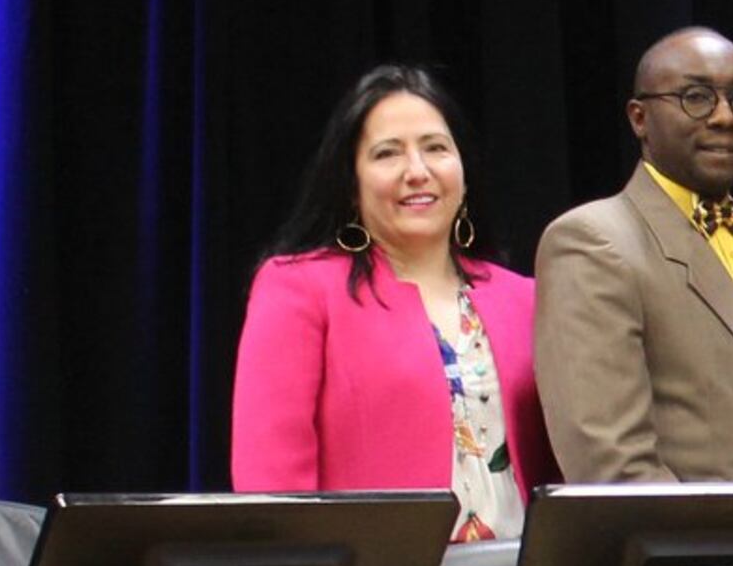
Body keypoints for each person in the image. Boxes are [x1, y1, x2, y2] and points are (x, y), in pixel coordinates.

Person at [231, 63, 554, 536]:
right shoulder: (297, 289)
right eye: (387, 154)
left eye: (436, 148)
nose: (417, 171)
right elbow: (271, 486)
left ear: (463, 171)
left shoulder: (526, 297)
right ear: (350, 183)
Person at [534, 26, 733, 483]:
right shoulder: (594, 241)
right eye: (696, 97)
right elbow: (610, 462)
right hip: (684, 551)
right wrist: (706, 555)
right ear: (638, 118)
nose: (725, 117)